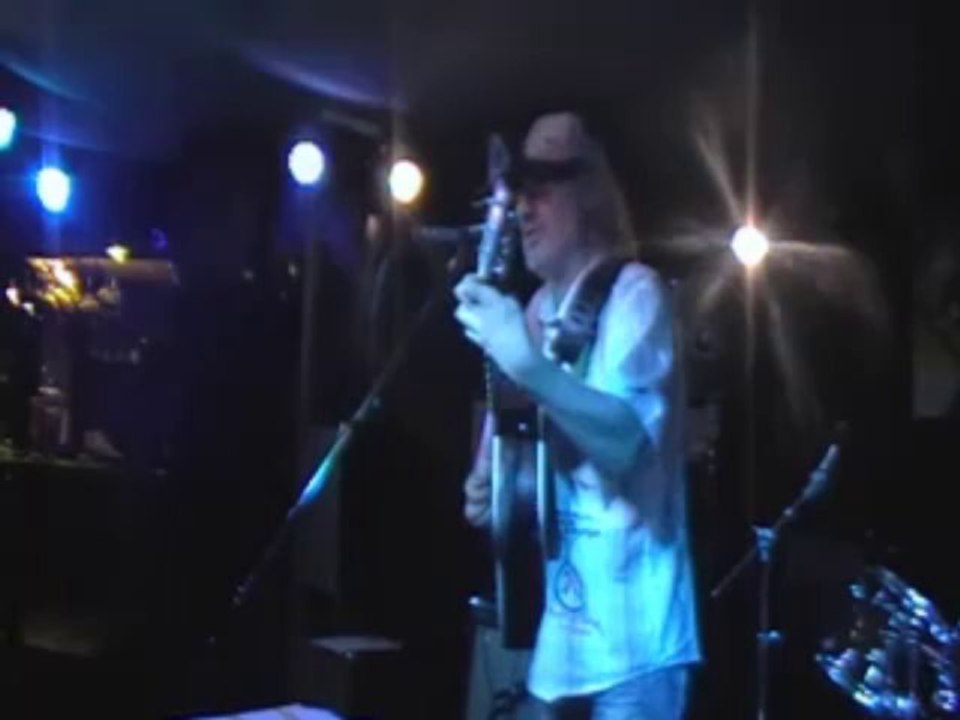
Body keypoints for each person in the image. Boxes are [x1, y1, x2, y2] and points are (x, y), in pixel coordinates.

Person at [454, 112, 702, 719]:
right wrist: (490, 487)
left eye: (542, 189)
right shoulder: (535, 309)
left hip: (636, 652)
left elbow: (625, 445)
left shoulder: (634, 293)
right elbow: (513, 463)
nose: (523, 208)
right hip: (559, 645)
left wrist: (525, 363)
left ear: (589, 191)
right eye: (519, 192)